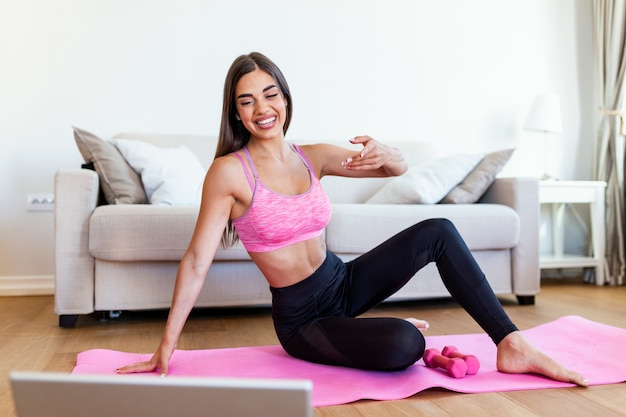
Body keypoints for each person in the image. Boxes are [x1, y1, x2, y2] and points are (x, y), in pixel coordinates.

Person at [117, 52, 587, 386]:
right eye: (247, 101)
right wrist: (166, 347)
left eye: (270, 94)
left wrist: (390, 152)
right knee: (404, 345)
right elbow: (197, 260)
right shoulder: (228, 173)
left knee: (439, 231)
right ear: (236, 113)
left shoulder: (312, 156)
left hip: (340, 281)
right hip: (302, 319)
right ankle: (379, 331)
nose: (263, 109)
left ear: (284, 97)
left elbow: (393, 168)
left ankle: (511, 342)